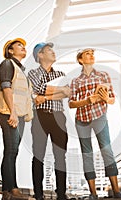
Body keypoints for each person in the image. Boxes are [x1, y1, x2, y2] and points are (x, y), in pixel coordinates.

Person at [69, 48, 121, 199]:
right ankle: (93, 193)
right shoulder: (76, 81)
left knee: (106, 150)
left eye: (92, 53)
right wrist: (87, 101)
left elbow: (112, 99)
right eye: (87, 54)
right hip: (81, 120)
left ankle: (116, 191)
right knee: (87, 154)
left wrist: (106, 99)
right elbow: (71, 103)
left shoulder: (103, 76)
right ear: (80, 60)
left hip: (99, 116)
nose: (91, 55)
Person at [28, 42, 70, 200]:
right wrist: (58, 90)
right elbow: (38, 87)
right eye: (49, 50)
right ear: (40, 55)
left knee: (61, 155)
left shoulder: (61, 74)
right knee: (38, 156)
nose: (53, 52)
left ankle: (61, 194)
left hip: (58, 116)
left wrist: (44, 96)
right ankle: (38, 194)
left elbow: (67, 92)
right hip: (40, 116)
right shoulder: (32, 73)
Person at [0, 38, 33, 200]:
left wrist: (25, 114)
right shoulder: (7, 64)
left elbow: (24, 94)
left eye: (24, 46)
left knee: (13, 152)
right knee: (10, 151)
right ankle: (12, 190)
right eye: (19, 46)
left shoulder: (22, 70)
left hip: (19, 115)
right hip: (9, 113)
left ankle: (8, 191)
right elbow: (6, 87)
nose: (23, 48)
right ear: (10, 51)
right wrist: (12, 112)